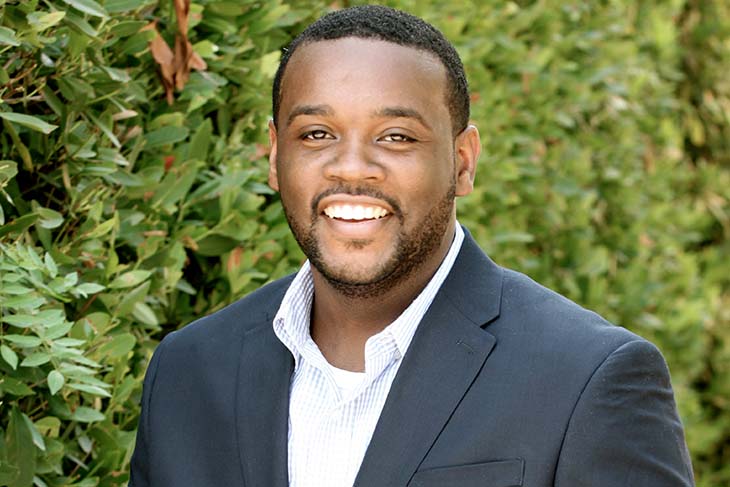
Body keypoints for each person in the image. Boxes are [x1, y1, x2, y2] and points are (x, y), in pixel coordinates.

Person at [129, 5, 694, 486]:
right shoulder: (186, 372)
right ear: (276, 157)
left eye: (396, 137)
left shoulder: (590, 380)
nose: (351, 168)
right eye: (316, 135)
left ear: (463, 162)